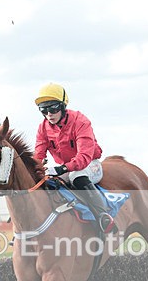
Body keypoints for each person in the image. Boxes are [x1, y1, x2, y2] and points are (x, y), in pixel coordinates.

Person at [33, 82, 115, 233]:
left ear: (63, 106)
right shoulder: (42, 127)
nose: (49, 114)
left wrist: (61, 168)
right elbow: (38, 155)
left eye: (53, 108)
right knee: (47, 182)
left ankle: (104, 216)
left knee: (77, 175)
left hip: (89, 164)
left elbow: (83, 158)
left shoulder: (81, 122)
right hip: (67, 167)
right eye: (43, 110)